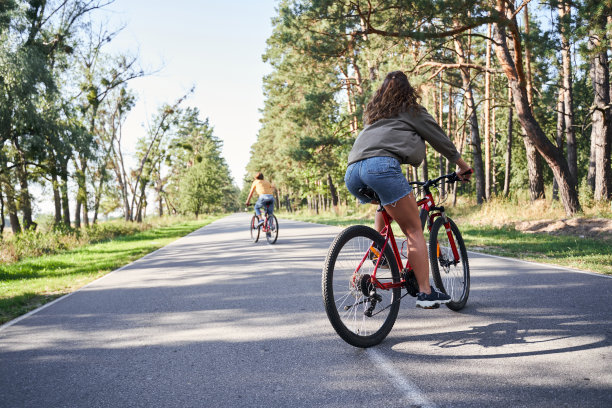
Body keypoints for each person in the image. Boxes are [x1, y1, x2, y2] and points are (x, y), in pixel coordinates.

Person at [344, 70, 473, 309]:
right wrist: (462, 166)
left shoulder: (374, 117)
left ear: (381, 93)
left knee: (388, 204)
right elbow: (439, 139)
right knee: (413, 228)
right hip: (381, 167)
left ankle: (379, 254)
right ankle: (425, 292)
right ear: (408, 91)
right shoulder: (412, 111)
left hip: (352, 173)